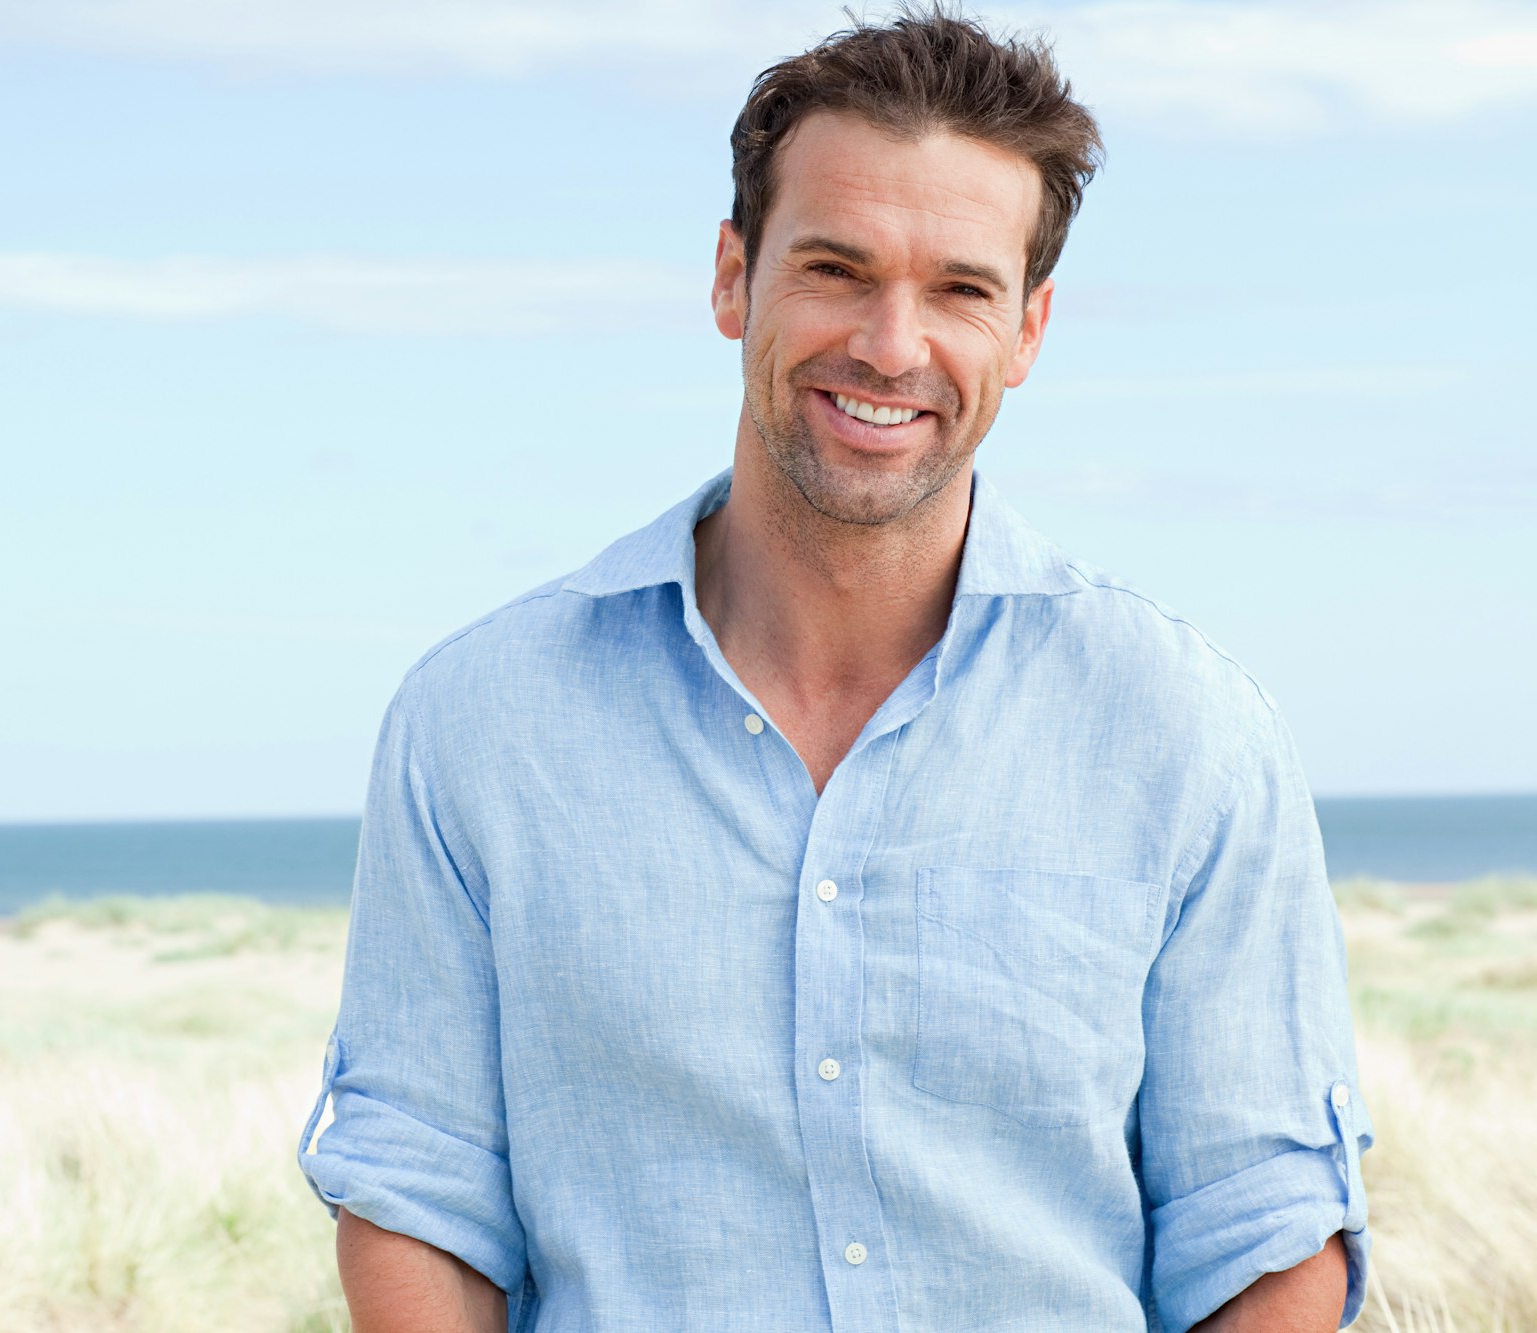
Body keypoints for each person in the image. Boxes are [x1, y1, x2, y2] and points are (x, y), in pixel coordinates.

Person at [296, 7, 1372, 1331]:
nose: (890, 344)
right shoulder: (477, 724)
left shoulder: (1189, 732)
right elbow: (418, 1195)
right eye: (837, 268)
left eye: (961, 289)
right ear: (732, 277)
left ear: (1028, 331)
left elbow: (1261, 1236)